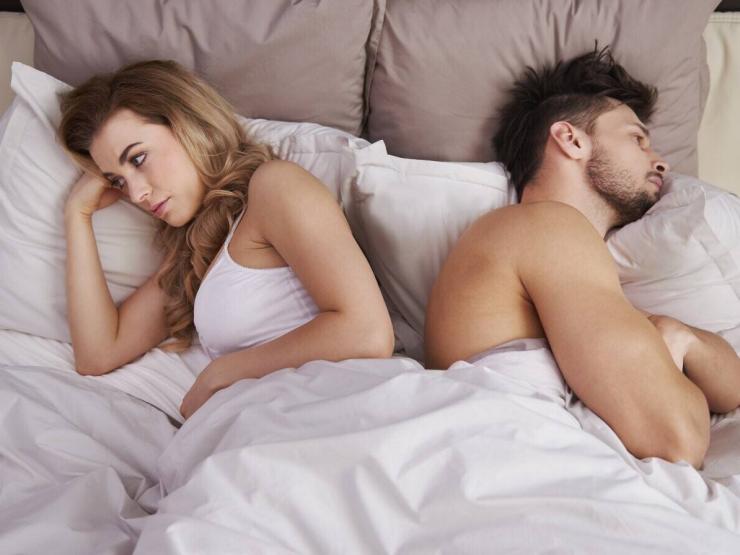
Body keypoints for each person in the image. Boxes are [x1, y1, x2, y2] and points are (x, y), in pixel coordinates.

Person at [424, 47, 740, 470]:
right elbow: (676, 438)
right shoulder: (546, 228)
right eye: (637, 139)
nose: (661, 163)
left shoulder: (564, 260)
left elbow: (732, 391)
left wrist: (678, 333)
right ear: (571, 140)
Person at [59, 59, 394, 420]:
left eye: (138, 159)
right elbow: (98, 355)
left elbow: (368, 333)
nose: (136, 193)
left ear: (188, 124)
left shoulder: (274, 186)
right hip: (273, 420)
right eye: (118, 181)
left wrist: (223, 373)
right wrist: (77, 215)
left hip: (338, 408)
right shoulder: (193, 255)